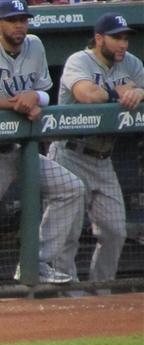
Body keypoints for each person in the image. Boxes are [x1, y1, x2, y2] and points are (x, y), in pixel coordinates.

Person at [0, 0, 85, 302]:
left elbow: (45, 93)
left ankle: (36, 261)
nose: (19, 25)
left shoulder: (35, 45)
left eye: (23, 19)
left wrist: (33, 96)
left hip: (17, 149)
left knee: (71, 188)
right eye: (12, 20)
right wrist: (18, 104)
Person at [47, 13, 144, 286]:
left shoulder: (131, 63)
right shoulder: (79, 60)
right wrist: (117, 93)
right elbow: (86, 94)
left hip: (103, 158)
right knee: (68, 235)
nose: (123, 44)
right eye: (116, 38)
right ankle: (68, 295)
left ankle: (101, 291)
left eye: (125, 38)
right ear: (99, 38)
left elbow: (141, 87)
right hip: (70, 153)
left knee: (115, 231)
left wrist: (139, 92)